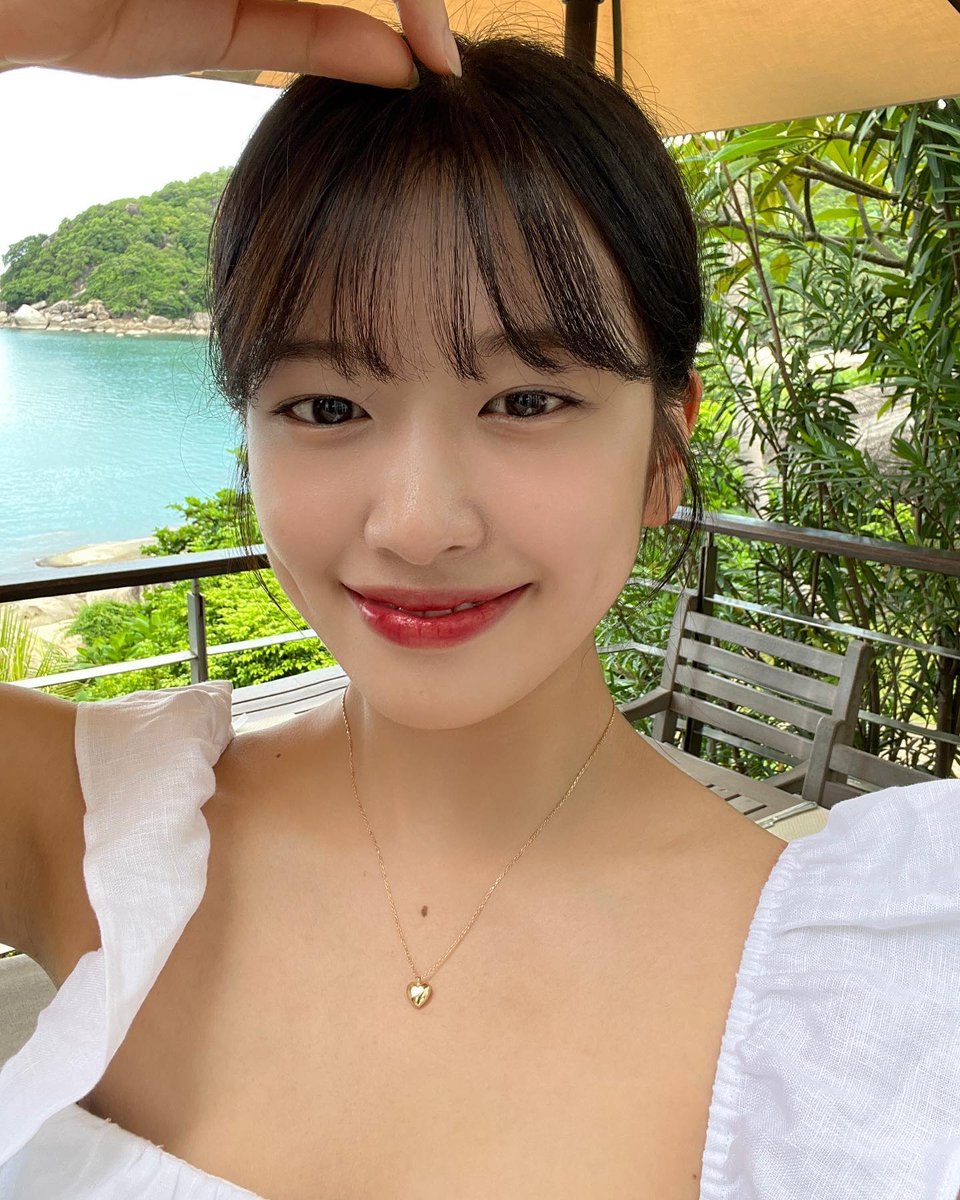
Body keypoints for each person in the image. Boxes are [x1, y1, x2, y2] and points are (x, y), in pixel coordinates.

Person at [1, 5, 958, 1199]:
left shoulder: (869, 1018)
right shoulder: (94, 827)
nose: (418, 524)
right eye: (326, 408)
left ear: (666, 447)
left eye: (527, 401)